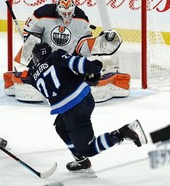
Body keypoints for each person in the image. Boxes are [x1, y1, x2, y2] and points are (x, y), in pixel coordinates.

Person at [17, 42, 147, 172]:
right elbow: (77, 64)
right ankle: (81, 161)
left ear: (35, 58)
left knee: (88, 149)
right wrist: (94, 68)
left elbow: (38, 76)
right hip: (84, 99)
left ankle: (123, 132)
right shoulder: (56, 56)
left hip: (72, 110)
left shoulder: (33, 76)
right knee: (61, 127)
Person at [4, 0, 128, 103]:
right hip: (45, 59)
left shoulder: (81, 17)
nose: (67, 16)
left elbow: (81, 43)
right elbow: (29, 35)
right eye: (64, 13)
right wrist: (36, 51)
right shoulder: (42, 14)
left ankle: (73, 73)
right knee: (30, 46)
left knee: (75, 71)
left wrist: (97, 45)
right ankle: (34, 72)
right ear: (57, 8)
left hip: (66, 59)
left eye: (70, 13)